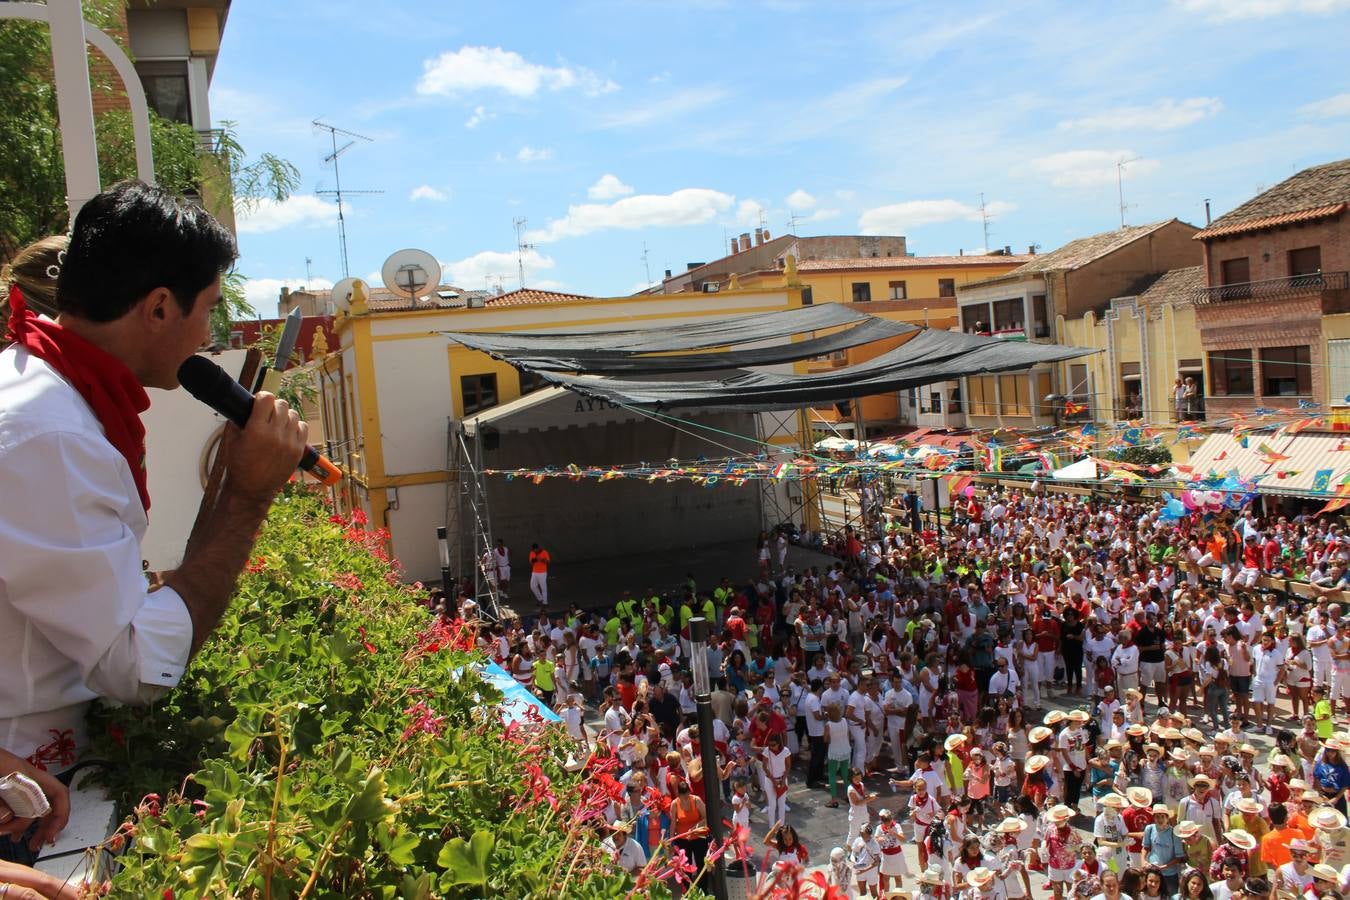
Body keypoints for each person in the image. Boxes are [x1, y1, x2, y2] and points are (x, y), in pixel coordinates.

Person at [0, 182, 308, 865]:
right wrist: (247, 499)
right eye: (209, 310)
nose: (208, 336)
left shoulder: (42, 396)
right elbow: (135, 668)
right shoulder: (49, 433)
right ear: (160, 307)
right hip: (27, 797)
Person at [528, 543, 551, 609]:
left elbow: (548, 561)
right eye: (534, 550)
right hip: (534, 572)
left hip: (542, 573)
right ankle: (540, 599)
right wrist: (536, 559)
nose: (535, 551)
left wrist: (543, 560)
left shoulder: (544, 552)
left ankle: (545, 603)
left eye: (536, 549)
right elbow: (531, 562)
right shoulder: (532, 553)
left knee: (543, 588)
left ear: (538, 548)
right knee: (532, 586)